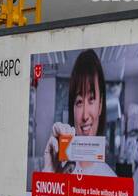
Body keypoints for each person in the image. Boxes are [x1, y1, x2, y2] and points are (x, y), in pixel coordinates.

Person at [41, 50, 116, 178]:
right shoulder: (61, 170)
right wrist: (49, 177)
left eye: (91, 99)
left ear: (100, 105)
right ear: (72, 109)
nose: (85, 115)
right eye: (79, 102)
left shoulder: (111, 179)